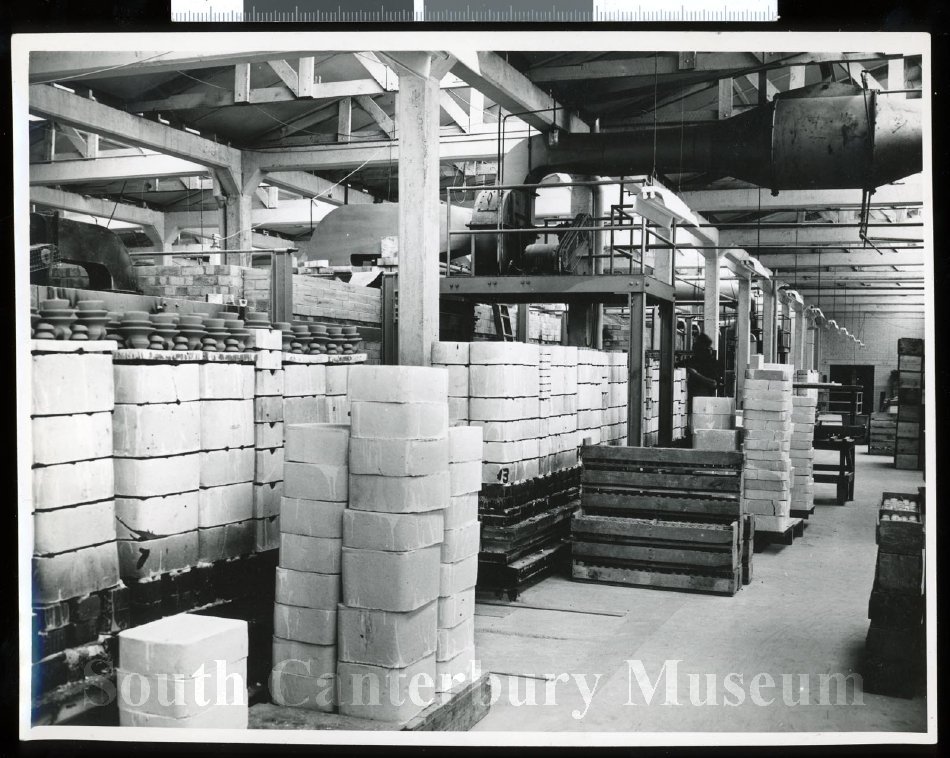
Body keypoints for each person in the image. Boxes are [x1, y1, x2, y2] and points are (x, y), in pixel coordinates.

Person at [685, 332, 720, 400]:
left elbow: (713, 383)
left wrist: (695, 374)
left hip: (704, 401)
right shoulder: (693, 360)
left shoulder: (711, 362)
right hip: (692, 398)